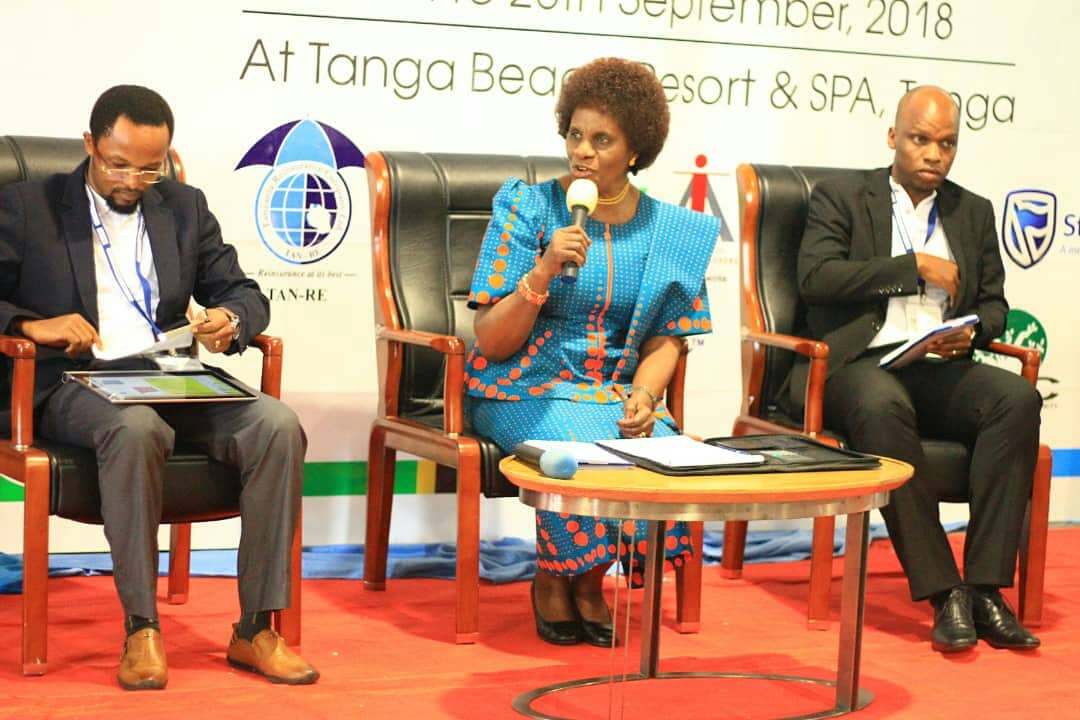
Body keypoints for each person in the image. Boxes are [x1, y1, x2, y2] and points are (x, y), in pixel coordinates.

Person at [0, 85, 318, 688]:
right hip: (77, 382)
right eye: (119, 164)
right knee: (135, 425)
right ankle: (142, 626)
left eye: (150, 167)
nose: (133, 180)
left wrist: (232, 321)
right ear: (90, 145)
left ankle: (256, 628)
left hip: (168, 375)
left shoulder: (184, 207)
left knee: (275, 423)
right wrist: (29, 324)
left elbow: (243, 292)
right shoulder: (26, 207)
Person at [464, 57, 720, 646]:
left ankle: (590, 581)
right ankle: (558, 579)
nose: (582, 151)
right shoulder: (528, 207)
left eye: (602, 140)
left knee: (658, 448)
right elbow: (492, 339)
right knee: (575, 449)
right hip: (520, 384)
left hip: (613, 391)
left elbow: (667, 338)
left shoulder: (672, 229)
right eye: (575, 135)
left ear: (635, 151)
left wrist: (646, 394)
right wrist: (545, 267)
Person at [785, 85, 1042, 653]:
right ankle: (940, 590)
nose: (934, 154)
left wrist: (974, 332)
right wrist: (912, 267)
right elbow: (817, 279)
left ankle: (984, 590)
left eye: (946, 144)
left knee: (1017, 400)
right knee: (883, 403)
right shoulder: (842, 197)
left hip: (936, 364)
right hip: (858, 365)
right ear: (893, 138)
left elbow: (996, 303)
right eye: (921, 140)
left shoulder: (971, 212)